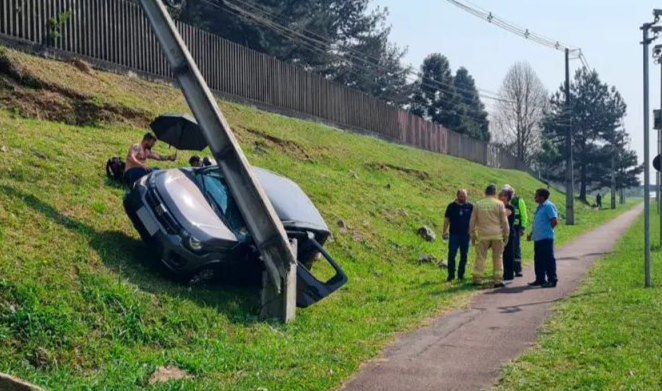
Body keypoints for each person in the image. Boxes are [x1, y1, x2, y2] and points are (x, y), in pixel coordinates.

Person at [469, 184, 510, 288]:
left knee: (480, 257)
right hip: (497, 234)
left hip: (483, 235)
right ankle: (498, 280)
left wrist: (473, 235)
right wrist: (506, 235)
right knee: (497, 257)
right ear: (495, 193)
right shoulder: (500, 204)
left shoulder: (478, 204)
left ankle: (477, 279)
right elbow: (504, 222)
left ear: (485, 192)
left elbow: (472, 222)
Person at [527, 189, 559, 288]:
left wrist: (547, 230)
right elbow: (538, 222)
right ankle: (540, 279)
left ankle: (552, 279)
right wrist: (532, 234)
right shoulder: (540, 207)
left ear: (542, 197)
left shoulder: (548, 206)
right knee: (538, 259)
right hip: (538, 238)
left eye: (536, 196)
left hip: (546, 238)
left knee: (548, 259)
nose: (535, 197)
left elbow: (554, 220)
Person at [442, 189, 474, 282]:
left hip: (465, 235)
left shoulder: (470, 206)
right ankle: (451, 275)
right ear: (457, 196)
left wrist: (472, 231)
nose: (463, 198)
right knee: (452, 255)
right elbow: (446, 219)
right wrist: (444, 231)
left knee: (464, 256)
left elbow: (474, 220)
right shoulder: (451, 206)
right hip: (454, 235)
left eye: (464, 196)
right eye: (461, 196)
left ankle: (461, 275)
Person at [504, 184, 528, 277]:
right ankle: (507, 269)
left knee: (516, 248)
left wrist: (523, 227)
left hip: (516, 228)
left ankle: (517, 269)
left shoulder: (519, 200)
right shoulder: (502, 201)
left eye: (507, 192)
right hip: (505, 228)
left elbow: (524, 215)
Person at [499, 188, 516, 282]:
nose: (502, 197)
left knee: (508, 254)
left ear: (509, 197)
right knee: (501, 255)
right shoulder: (499, 207)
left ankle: (509, 274)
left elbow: (502, 217)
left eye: (505, 195)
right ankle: (503, 273)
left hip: (509, 234)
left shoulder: (510, 207)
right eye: (501, 195)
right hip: (499, 234)